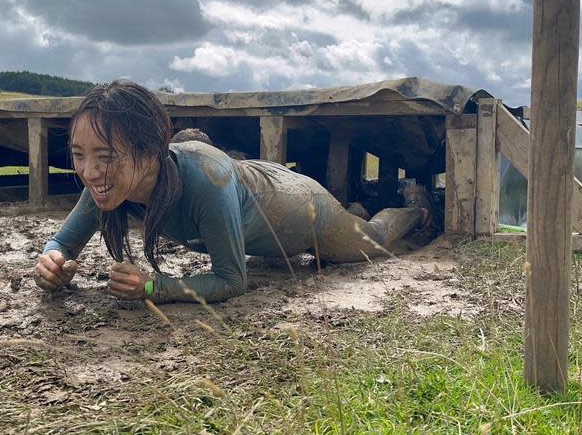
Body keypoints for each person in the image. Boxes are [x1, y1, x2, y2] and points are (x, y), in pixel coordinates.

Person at [34, 79, 433, 304]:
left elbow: (231, 280)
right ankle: (358, 207)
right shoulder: (104, 182)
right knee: (355, 224)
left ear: (150, 153)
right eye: (78, 155)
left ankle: (415, 207)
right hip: (257, 186)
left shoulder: (206, 181)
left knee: (371, 244)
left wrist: (154, 287)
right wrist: (51, 262)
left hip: (303, 210)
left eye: (103, 156)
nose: (88, 171)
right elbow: (62, 242)